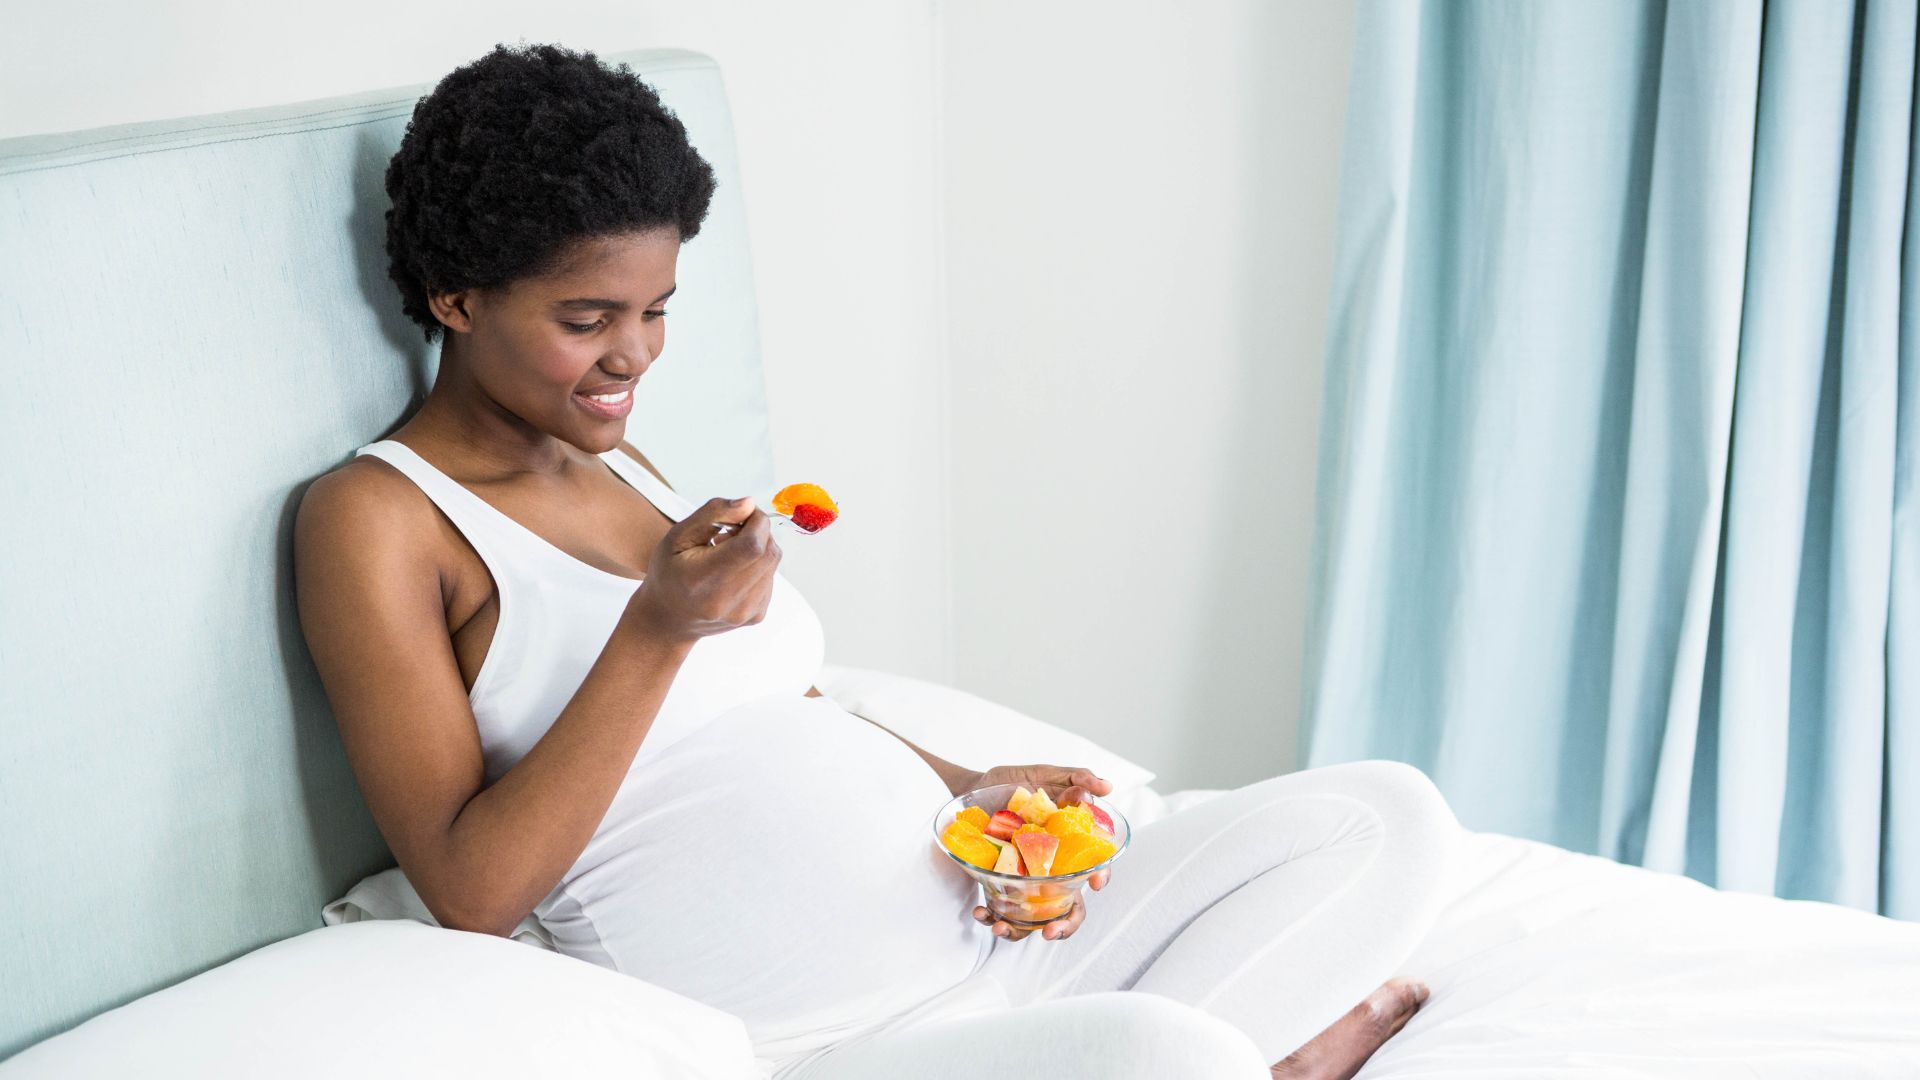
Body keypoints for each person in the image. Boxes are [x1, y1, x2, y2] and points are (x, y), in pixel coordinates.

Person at [292, 43, 1461, 1080]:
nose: (634, 355)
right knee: (1172, 1052)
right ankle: (1257, 1053)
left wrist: (969, 787)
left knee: (1385, 821)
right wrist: (657, 629)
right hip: (846, 1044)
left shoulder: (620, 463)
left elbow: (782, 707)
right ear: (455, 298)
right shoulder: (378, 519)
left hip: (1013, 955)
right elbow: (470, 892)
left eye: (658, 310)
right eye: (588, 318)